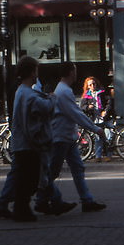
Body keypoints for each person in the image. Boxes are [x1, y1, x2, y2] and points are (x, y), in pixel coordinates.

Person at [35, 62, 106, 214]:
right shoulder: (64, 91)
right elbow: (76, 114)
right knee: (53, 172)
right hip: (61, 137)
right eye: (74, 71)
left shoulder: (63, 90)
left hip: (67, 136)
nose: (76, 74)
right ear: (69, 73)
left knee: (77, 168)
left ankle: (87, 200)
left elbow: (75, 114)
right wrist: (95, 128)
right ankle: (41, 199)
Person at [0, 56, 55, 222]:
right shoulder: (27, 93)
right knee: (29, 178)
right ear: (31, 72)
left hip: (22, 142)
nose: (37, 74)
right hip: (28, 143)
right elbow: (44, 108)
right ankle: (21, 209)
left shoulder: (22, 91)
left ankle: (17, 207)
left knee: (23, 177)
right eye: (36, 71)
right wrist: (52, 98)